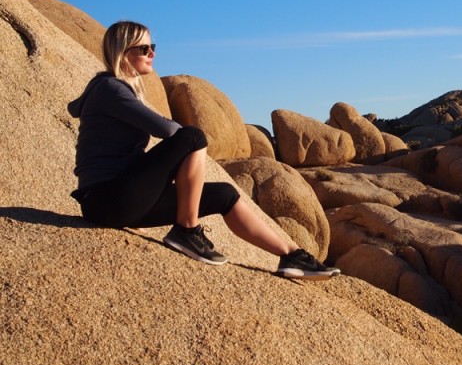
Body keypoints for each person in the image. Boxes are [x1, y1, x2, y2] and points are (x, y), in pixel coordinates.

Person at [68, 20, 339, 280]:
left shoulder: (114, 89)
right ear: (123, 52)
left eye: (153, 47)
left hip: (121, 200)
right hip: (107, 198)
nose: (151, 53)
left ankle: (292, 256)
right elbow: (169, 131)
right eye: (144, 49)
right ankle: (186, 230)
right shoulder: (109, 88)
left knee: (224, 194)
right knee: (193, 136)